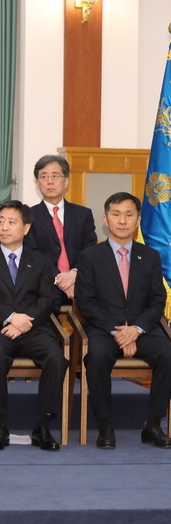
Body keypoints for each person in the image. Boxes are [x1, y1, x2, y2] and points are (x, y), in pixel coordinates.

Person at [0, 200, 67, 451]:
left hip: (33, 328)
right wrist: (12, 317)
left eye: (12, 222)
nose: (4, 227)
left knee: (56, 357)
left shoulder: (41, 262)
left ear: (26, 228)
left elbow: (49, 299)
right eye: (0, 221)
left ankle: (42, 426)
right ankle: (0, 426)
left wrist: (24, 322)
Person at [75, 192, 171, 449]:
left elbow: (157, 300)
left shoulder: (150, 256)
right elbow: (86, 302)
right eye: (116, 214)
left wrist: (136, 330)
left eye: (129, 214)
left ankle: (153, 424)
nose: (122, 220)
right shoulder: (89, 257)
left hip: (143, 330)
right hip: (103, 330)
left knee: (168, 354)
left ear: (138, 219)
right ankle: (105, 425)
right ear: (105, 219)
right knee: (95, 357)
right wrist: (118, 332)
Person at [25, 155, 97, 300]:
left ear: (66, 181)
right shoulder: (28, 215)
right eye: (44, 177)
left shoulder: (83, 214)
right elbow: (31, 252)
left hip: (79, 281)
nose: (50, 181)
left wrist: (74, 274)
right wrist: (60, 280)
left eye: (55, 176)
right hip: (44, 284)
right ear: (37, 183)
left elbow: (89, 249)